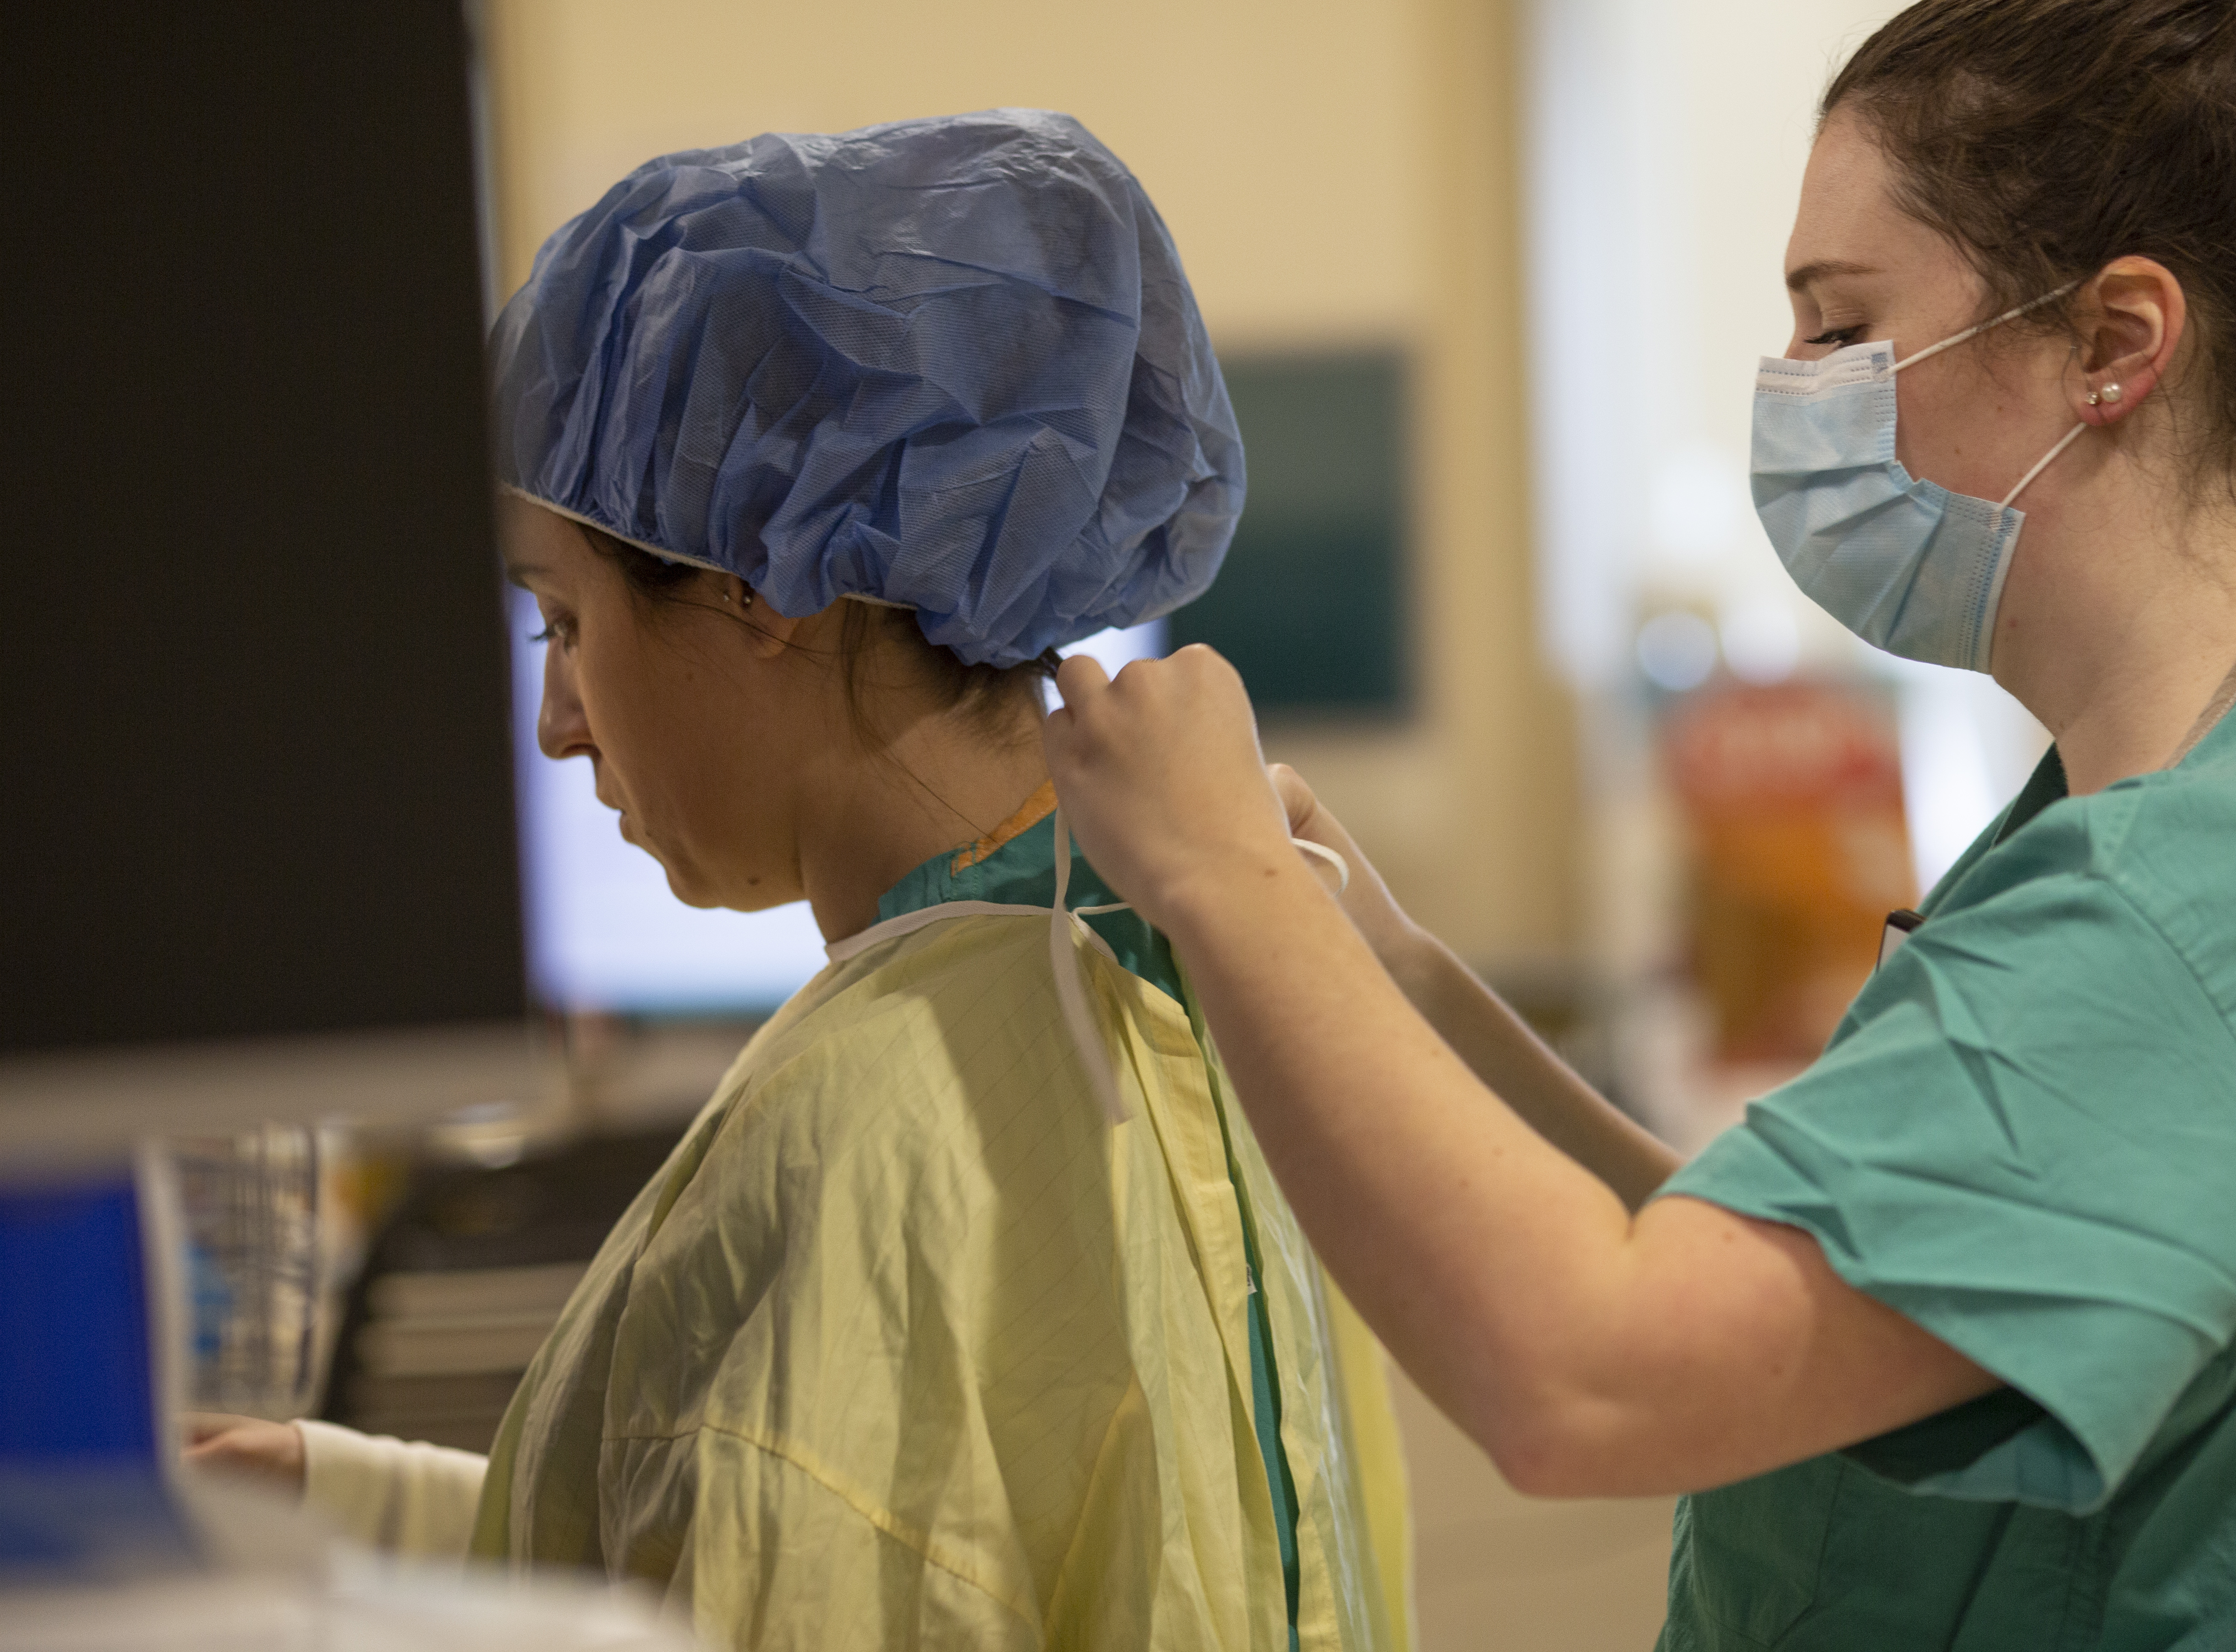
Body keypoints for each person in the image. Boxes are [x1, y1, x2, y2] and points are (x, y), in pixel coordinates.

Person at [1038, 0, 2236, 1650]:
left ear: (2116, 341)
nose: (1794, 395)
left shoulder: (2217, 900)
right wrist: (1397, 975)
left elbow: (1589, 1374)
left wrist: (1225, 886)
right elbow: (1796, 1275)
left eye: (1840, 322)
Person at [187, 109, 1411, 1652]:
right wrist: (351, 1504)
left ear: (760, 580)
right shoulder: (1200, 985)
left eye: (564, 624)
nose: (561, 727)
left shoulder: (868, 1120)